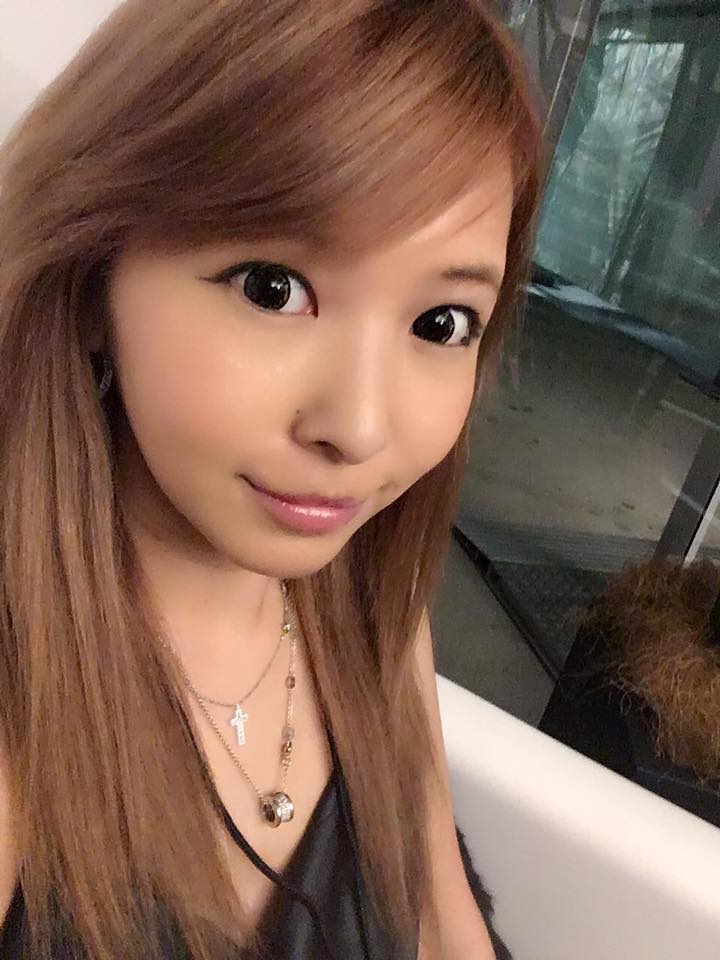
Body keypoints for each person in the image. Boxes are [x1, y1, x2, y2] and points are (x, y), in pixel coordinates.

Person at [0, 1, 542, 957]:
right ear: (90, 280)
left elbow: (442, 920)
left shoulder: (372, 604)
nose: (359, 428)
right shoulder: (24, 688)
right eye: (272, 287)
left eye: (440, 324)